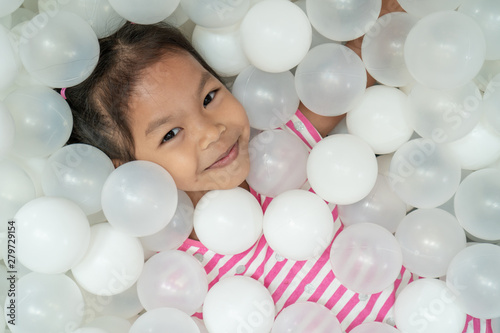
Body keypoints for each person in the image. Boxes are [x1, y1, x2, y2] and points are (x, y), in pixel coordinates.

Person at [61, 5, 490, 333]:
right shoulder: (171, 278)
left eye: (210, 97)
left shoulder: (283, 148)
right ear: (126, 175)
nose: (212, 132)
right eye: (171, 134)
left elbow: (363, 56)